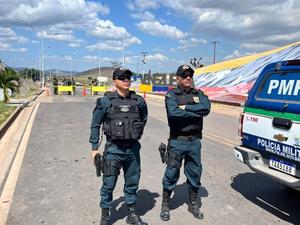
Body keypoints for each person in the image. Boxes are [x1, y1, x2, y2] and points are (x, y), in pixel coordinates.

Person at [89, 67, 148, 225]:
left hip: (133, 149)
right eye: (122, 78)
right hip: (113, 149)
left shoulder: (138, 101)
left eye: (128, 77)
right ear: (114, 81)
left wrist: (133, 132)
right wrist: (94, 148)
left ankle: (131, 214)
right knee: (108, 184)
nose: (126, 80)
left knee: (132, 182)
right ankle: (105, 214)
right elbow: (95, 125)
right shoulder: (105, 102)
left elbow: (144, 118)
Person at [160, 64, 211, 221]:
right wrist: (194, 111)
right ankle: (165, 205)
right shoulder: (171, 95)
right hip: (178, 141)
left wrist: (186, 107)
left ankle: (193, 204)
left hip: (194, 142)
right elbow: (174, 113)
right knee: (172, 172)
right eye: (184, 75)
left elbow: (206, 108)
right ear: (178, 79)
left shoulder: (199, 93)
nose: (188, 78)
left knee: (195, 173)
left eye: (190, 75)